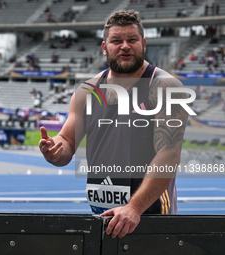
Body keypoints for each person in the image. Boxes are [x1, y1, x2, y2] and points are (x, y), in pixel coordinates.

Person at [39, 10, 190, 238]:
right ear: (104, 47)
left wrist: (134, 208)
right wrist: (54, 149)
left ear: (144, 43)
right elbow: (67, 142)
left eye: (132, 40)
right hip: (103, 215)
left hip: (148, 216)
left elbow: (169, 155)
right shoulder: (87, 92)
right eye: (116, 41)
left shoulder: (164, 87)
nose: (125, 46)